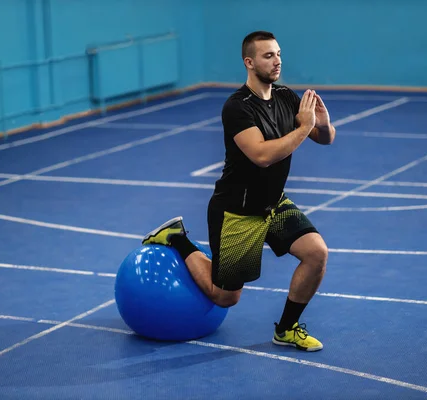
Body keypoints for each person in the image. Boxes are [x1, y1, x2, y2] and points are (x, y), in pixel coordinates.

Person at [141, 31, 336, 352]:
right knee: (225, 296)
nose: (277, 62)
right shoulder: (237, 107)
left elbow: (324, 138)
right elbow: (261, 155)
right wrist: (303, 127)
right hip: (238, 211)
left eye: (278, 54)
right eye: (268, 56)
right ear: (249, 62)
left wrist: (324, 125)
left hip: (273, 203)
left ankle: (286, 329)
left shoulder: (286, 96)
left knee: (316, 254)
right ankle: (176, 237)